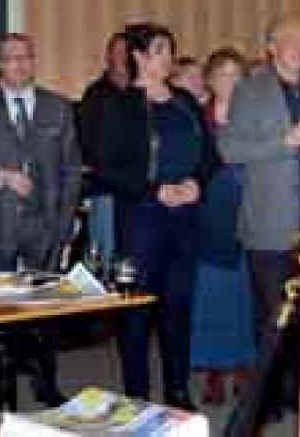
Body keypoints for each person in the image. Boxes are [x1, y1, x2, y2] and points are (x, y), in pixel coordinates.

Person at [218, 15, 300, 427]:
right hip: (271, 225)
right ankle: (267, 397)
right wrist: (284, 142)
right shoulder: (249, 89)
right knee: (274, 320)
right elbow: (230, 148)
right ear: (271, 48)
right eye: (289, 40)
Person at [0, 33, 82, 405]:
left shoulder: (58, 108)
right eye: (11, 59)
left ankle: (46, 382)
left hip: (46, 226)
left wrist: (66, 219)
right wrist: (1, 177)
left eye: (26, 57)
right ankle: (1, 384)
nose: (20, 65)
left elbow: (73, 170)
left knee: (44, 311)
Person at [96, 23, 218, 409]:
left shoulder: (185, 100)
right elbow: (106, 166)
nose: (168, 57)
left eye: (169, 49)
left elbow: (210, 155)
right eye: (160, 50)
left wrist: (198, 182)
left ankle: (178, 391)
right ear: (139, 57)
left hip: (186, 217)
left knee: (179, 306)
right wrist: (154, 189)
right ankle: (137, 396)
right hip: (143, 218)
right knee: (137, 310)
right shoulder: (119, 104)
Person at [190, 48, 255, 405]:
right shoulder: (198, 117)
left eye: (237, 74)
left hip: (251, 212)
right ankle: (214, 371)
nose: (230, 81)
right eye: (223, 74)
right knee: (212, 293)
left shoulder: (256, 118)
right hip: (210, 211)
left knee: (246, 294)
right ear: (211, 80)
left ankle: (244, 367)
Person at [79, 31, 131, 267]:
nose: (123, 57)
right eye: (118, 52)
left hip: (139, 188)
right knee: (106, 258)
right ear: (108, 57)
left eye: (127, 52)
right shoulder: (96, 94)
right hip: (106, 187)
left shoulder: (143, 91)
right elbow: (89, 144)